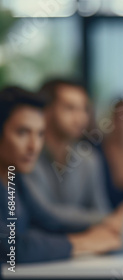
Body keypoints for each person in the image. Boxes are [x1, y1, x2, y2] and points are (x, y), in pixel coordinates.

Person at [0, 86, 121, 264]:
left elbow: (47, 219)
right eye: (22, 133)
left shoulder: (15, 179)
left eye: (40, 134)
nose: (34, 147)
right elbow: (12, 246)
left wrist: (105, 228)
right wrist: (84, 242)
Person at [22, 79, 111, 232]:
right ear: (46, 111)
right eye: (70, 108)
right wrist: (107, 219)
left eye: (84, 109)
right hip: (40, 249)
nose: (81, 117)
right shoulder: (27, 155)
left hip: (86, 248)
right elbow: (44, 213)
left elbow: (101, 209)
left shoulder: (89, 158)